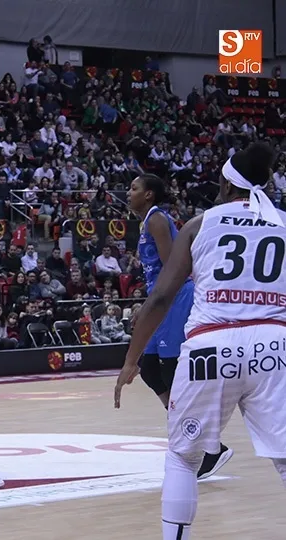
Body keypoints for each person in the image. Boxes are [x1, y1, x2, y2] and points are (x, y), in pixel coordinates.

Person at [115, 143, 286, 540]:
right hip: (273, 345)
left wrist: (131, 359)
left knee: (183, 456)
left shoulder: (199, 224)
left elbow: (160, 297)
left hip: (212, 344)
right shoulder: (283, 223)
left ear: (227, 184)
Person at [127, 173, 233, 478]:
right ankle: (189, 430)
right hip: (160, 296)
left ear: (149, 195)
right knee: (148, 368)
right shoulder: (148, 220)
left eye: (134, 188)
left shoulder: (157, 219)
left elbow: (174, 266)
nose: (129, 192)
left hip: (174, 296)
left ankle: (212, 446)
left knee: (169, 368)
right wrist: (146, 305)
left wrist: (154, 304)